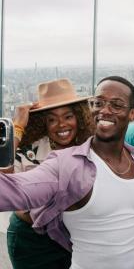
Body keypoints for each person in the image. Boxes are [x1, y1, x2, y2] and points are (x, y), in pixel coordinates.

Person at [0, 76, 134, 269]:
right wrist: (16, 129)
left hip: (68, 238)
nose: (105, 109)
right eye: (99, 103)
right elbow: (10, 187)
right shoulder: (60, 161)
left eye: (117, 104)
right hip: (33, 235)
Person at [6, 78, 95, 269]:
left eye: (68, 116)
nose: (61, 125)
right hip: (31, 240)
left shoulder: (89, 148)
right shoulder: (30, 150)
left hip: (74, 237)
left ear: (79, 117)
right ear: (43, 123)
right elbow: (3, 178)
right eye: (52, 119)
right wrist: (18, 126)